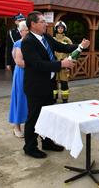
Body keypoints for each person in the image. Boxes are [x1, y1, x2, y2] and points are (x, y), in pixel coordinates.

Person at [21, 11, 90, 159]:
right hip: (35, 86)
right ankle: (30, 147)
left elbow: (62, 47)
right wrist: (61, 64)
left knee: (49, 116)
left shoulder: (46, 37)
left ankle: (47, 142)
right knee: (33, 117)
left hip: (49, 84)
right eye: (42, 22)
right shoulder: (27, 42)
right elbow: (38, 64)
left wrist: (80, 46)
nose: (46, 24)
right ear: (33, 24)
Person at [8, 21, 29, 138]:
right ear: (20, 32)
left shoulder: (33, 42)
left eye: (28, 29)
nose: (26, 32)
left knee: (30, 99)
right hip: (21, 74)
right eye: (24, 30)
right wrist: (36, 64)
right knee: (19, 98)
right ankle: (17, 126)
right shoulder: (18, 44)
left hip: (31, 73)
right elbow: (19, 62)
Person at [53, 21, 73, 103]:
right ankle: (54, 98)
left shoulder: (67, 40)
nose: (60, 29)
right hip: (54, 64)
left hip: (64, 65)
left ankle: (65, 99)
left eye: (61, 28)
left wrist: (69, 62)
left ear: (64, 29)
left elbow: (72, 52)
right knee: (53, 83)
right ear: (56, 29)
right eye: (58, 28)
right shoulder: (53, 39)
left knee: (64, 83)